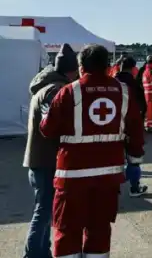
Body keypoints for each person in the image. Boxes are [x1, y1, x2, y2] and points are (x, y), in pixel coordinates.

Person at [40, 44, 145, 258]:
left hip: (72, 177)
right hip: (108, 178)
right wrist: (134, 160)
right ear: (108, 67)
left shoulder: (69, 91)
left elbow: (48, 130)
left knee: (67, 231)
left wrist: (45, 115)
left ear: (81, 67)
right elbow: (136, 130)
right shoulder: (123, 92)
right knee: (99, 231)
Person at [22, 43, 79, 258]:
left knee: (45, 211)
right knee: (44, 212)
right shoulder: (55, 90)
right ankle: (33, 255)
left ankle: (41, 253)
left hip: (39, 160)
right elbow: (53, 126)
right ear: (71, 71)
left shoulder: (45, 87)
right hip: (46, 161)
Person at [116, 56, 149, 196]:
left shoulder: (112, 82)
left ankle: (113, 188)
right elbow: (141, 105)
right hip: (131, 126)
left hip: (112, 126)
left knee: (113, 158)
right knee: (134, 158)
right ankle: (134, 187)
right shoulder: (133, 84)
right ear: (133, 68)